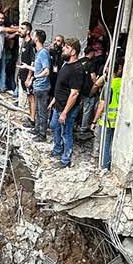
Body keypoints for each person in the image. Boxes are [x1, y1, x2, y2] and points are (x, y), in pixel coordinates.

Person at [50, 38, 85, 169]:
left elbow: (74, 94)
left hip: (67, 109)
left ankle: (66, 160)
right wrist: (54, 100)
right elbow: (61, 85)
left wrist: (64, 113)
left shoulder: (77, 70)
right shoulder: (66, 64)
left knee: (66, 133)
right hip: (58, 105)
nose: (63, 49)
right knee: (53, 125)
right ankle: (58, 149)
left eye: (67, 47)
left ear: (74, 51)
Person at [92, 58, 123, 170]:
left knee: (105, 144)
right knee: (113, 145)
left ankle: (104, 166)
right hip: (118, 121)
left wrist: (94, 121)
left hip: (107, 121)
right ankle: (113, 164)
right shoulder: (122, 83)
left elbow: (101, 106)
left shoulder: (108, 85)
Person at [23, 29, 51, 142]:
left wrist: (34, 77)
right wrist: (27, 67)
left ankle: (42, 134)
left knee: (42, 111)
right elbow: (38, 69)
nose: (32, 37)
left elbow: (46, 71)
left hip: (42, 87)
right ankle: (37, 129)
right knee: (39, 110)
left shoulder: (44, 53)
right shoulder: (39, 52)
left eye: (33, 35)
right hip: (38, 86)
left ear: (36, 39)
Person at [17, 21, 36, 126]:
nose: (20, 30)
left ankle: (33, 120)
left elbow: (33, 62)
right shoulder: (24, 42)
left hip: (28, 77)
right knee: (28, 97)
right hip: (23, 76)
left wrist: (29, 78)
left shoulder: (31, 45)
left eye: (22, 28)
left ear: (28, 31)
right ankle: (30, 117)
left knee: (31, 98)